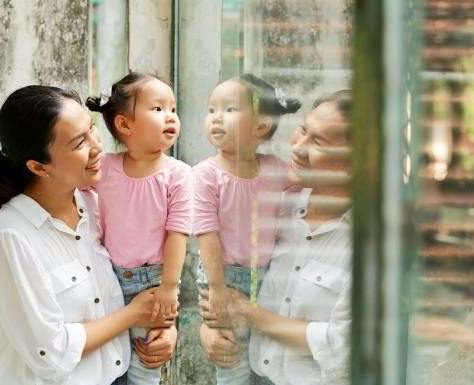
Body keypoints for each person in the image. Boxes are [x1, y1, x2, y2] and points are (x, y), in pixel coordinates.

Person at [0, 85, 177, 385]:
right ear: (38, 166)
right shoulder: (12, 235)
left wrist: (161, 329)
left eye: (92, 129)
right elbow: (50, 352)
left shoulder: (95, 205)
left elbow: (137, 277)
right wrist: (133, 315)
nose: (97, 147)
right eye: (79, 143)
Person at [200, 90, 352, 385]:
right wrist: (213, 329)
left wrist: (247, 313)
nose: (298, 147)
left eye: (318, 142)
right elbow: (233, 280)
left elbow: (342, 346)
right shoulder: (278, 207)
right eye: (304, 130)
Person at [192, 74, 301, 385]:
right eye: (211, 109)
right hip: (224, 278)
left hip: (269, 275)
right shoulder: (205, 175)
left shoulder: (277, 170)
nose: (215, 118)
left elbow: (298, 206)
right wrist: (216, 290)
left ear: (261, 126)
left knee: (267, 357)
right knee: (232, 360)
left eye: (229, 109)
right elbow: (206, 234)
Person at [85, 72, 191, 385]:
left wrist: (170, 289)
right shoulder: (104, 168)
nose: (170, 116)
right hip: (106, 279)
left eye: (173, 109)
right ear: (125, 125)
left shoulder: (179, 176)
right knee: (109, 363)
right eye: (158, 109)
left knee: (146, 365)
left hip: (153, 283)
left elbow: (178, 233)